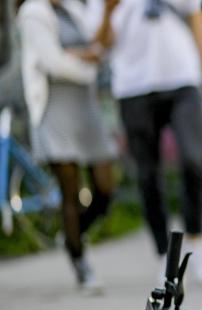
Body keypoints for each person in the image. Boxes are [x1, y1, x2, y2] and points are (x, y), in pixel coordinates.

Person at [87, 0, 202, 279]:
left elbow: (200, 23)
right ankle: (163, 253)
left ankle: (195, 239)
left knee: (194, 159)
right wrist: (109, 11)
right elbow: (100, 45)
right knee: (147, 174)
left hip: (183, 80)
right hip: (133, 87)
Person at [17, 0, 117, 291]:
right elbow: (53, 63)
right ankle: (80, 262)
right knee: (70, 192)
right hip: (54, 107)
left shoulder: (75, 8)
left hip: (85, 106)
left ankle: (73, 234)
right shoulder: (32, 12)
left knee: (105, 187)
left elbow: (102, 45)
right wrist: (88, 60)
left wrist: (105, 19)